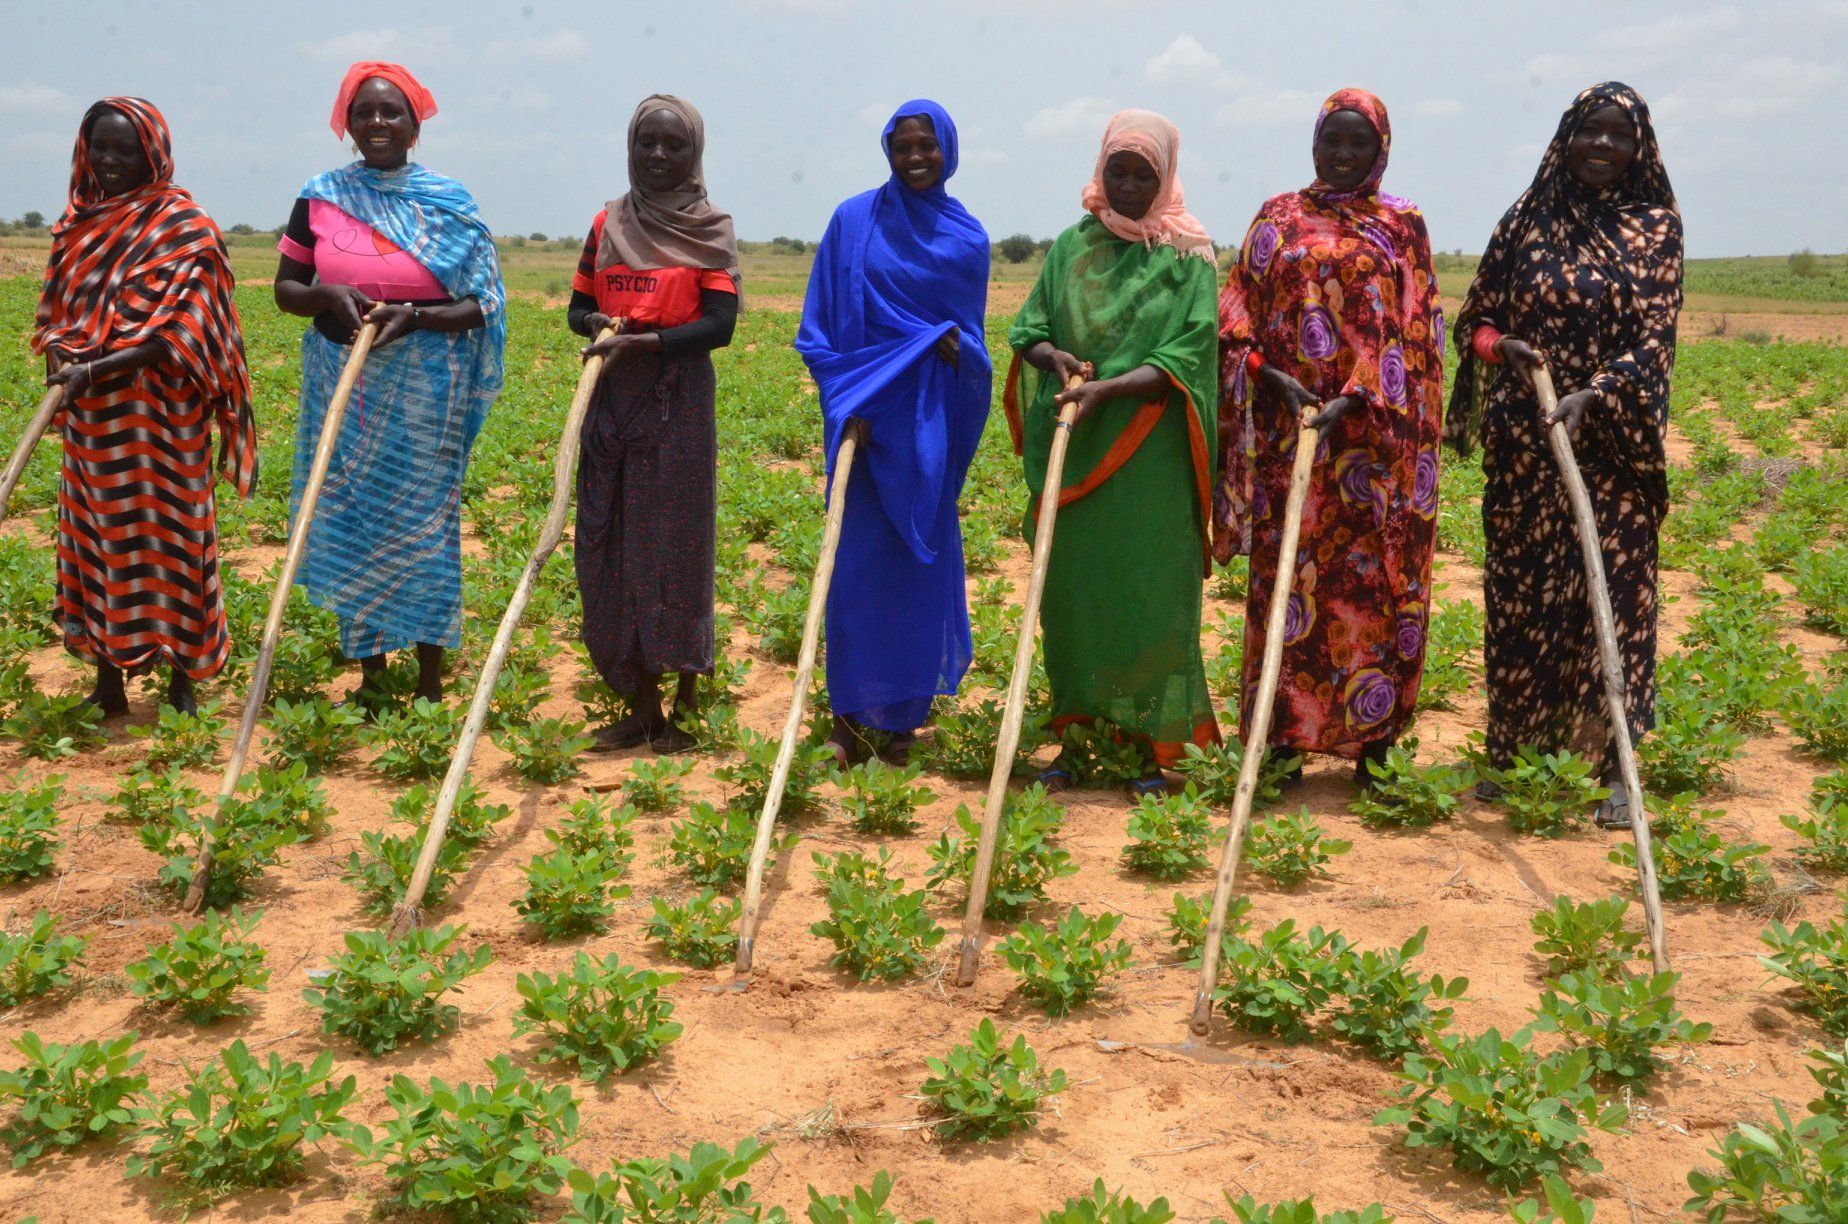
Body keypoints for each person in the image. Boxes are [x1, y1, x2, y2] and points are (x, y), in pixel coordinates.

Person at [1445, 82, 1682, 828]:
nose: (1603, 145)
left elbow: (1655, 340)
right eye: (1590, 130)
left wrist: (1595, 394)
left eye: (1619, 134)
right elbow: (1476, 319)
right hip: (1526, 441)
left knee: (1615, 593)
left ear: (1638, 147)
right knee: (1526, 595)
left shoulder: (1655, 229)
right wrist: (1504, 349)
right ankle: (1520, 751)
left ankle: (1613, 762)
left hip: (1612, 442)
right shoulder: (1526, 218)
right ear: (1566, 137)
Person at [1214, 89, 1445, 788]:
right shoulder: (1277, 218)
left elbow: (1418, 328)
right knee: (1289, 584)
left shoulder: (1402, 224)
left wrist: (1362, 392)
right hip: (1291, 437)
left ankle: (1375, 743)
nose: (1342, 155)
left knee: (1372, 589)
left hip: (1375, 447)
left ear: (1381, 150)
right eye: (1331, 142)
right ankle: (1281, 736)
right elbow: (1236, 313)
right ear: (1313, 144)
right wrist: (1268, 375)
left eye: (1358, 144)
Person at [273, 61, 505, 708]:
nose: (377, 121)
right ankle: (372, 677)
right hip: (344, 387)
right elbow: (286, 290)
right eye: (364, 112)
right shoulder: (319, 196)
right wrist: (326, 295)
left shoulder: (449, 203)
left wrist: (417, 317)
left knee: (425, 526)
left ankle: (429, 680)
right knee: (353, 521)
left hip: (426, 390)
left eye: (390, 111)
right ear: (347, 124)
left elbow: (481, 304)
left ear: (414, 124)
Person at [1007, 109, 1220, 798]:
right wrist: (1057, 360)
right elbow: (1031, 329)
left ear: (1166, 178)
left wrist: (1113, 389)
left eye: (1142, 175)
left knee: (1152, 598)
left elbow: (1191, 350)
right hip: (1079, 446)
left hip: (1152, 458)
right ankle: (1079, 739)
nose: (1127, 187)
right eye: (1116, 172)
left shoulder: (1188, 257)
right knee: (1075, 600)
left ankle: (1157, 748)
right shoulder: (1072, 247)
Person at [32, 97, 257, 720]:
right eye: (99, 148)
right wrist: (61, 366)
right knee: (100, 541)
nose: (108, 160)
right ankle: (109, 680)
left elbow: (183, 329)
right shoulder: (77, 225)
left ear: (152, 154)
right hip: (95, 424)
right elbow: (58, 316)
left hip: (163, 418)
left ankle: (183, 679)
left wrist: (93, 369)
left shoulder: (186, 227)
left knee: (175, 542)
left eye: (123, 150)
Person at [796, 100, 991, 768]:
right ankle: (848, 717)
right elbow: (819, 330)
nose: (915, 157)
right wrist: (846, 395)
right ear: (887, 150)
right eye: (903, 146)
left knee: (917, 565)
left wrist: (959, 353)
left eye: (926, 146)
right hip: (862, 420)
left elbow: (974, 345)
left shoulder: (967, 240)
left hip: (925, 425)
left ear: (948, 151)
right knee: (854, 570)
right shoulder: (853, 222)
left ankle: (905, 718)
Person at [568, 94, 740, 754]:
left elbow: (719, 326)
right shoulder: (607, 223)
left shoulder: (709, 228)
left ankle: (687, 704)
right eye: (647, 143)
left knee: (677, 546)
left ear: (695, 153)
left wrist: (650, 343)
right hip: (611, 400)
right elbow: (577, 308)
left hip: (678, 402)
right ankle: (641, 706)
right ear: (630, 148)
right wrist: (598, 324)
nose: (659, 155)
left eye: (674, 145)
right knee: (609, 544)